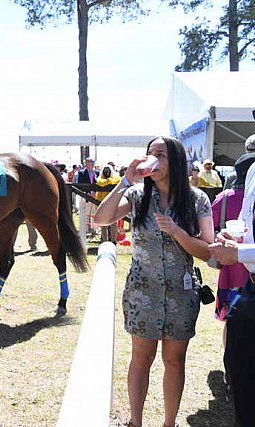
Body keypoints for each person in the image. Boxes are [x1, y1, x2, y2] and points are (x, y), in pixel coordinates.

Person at [94, 136, 213, 427]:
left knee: (174, 361)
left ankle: (168, 423)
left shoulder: (197, 199)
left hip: (180, 294)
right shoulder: (136, 195)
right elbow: (101, 219)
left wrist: (178, 233)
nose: (153, 159)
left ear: (176, 160)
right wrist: (124, 180)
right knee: (141, 358)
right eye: (150, 153)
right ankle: (136, 421)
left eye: (160, 154)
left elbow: (208, 251)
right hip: (141, 293)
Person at [209, 159, 255, 426]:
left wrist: (238, 252)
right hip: (250, 288)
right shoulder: (252, 171)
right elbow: (245, 220)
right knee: (239, 372)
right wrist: (235, 237)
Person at [210, 154, 254, 348]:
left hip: (234, 269)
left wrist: (237, 251)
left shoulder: (223, 197)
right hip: (248, 281)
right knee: (239, 365)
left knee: (230, 318)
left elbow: (209, 224)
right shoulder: (254, 172)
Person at [94, 165, 121, 243]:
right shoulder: (100, 179)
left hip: (113, 203)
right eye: (105, 171)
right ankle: (104, 241)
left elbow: (118, 179)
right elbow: (100, 182)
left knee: (113, 223)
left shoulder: (116, 178)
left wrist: (108, 181)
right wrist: (109, 181)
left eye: (108, 171)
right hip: (101, 204)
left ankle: (113, 241)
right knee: (103, 223)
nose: (107, 173)